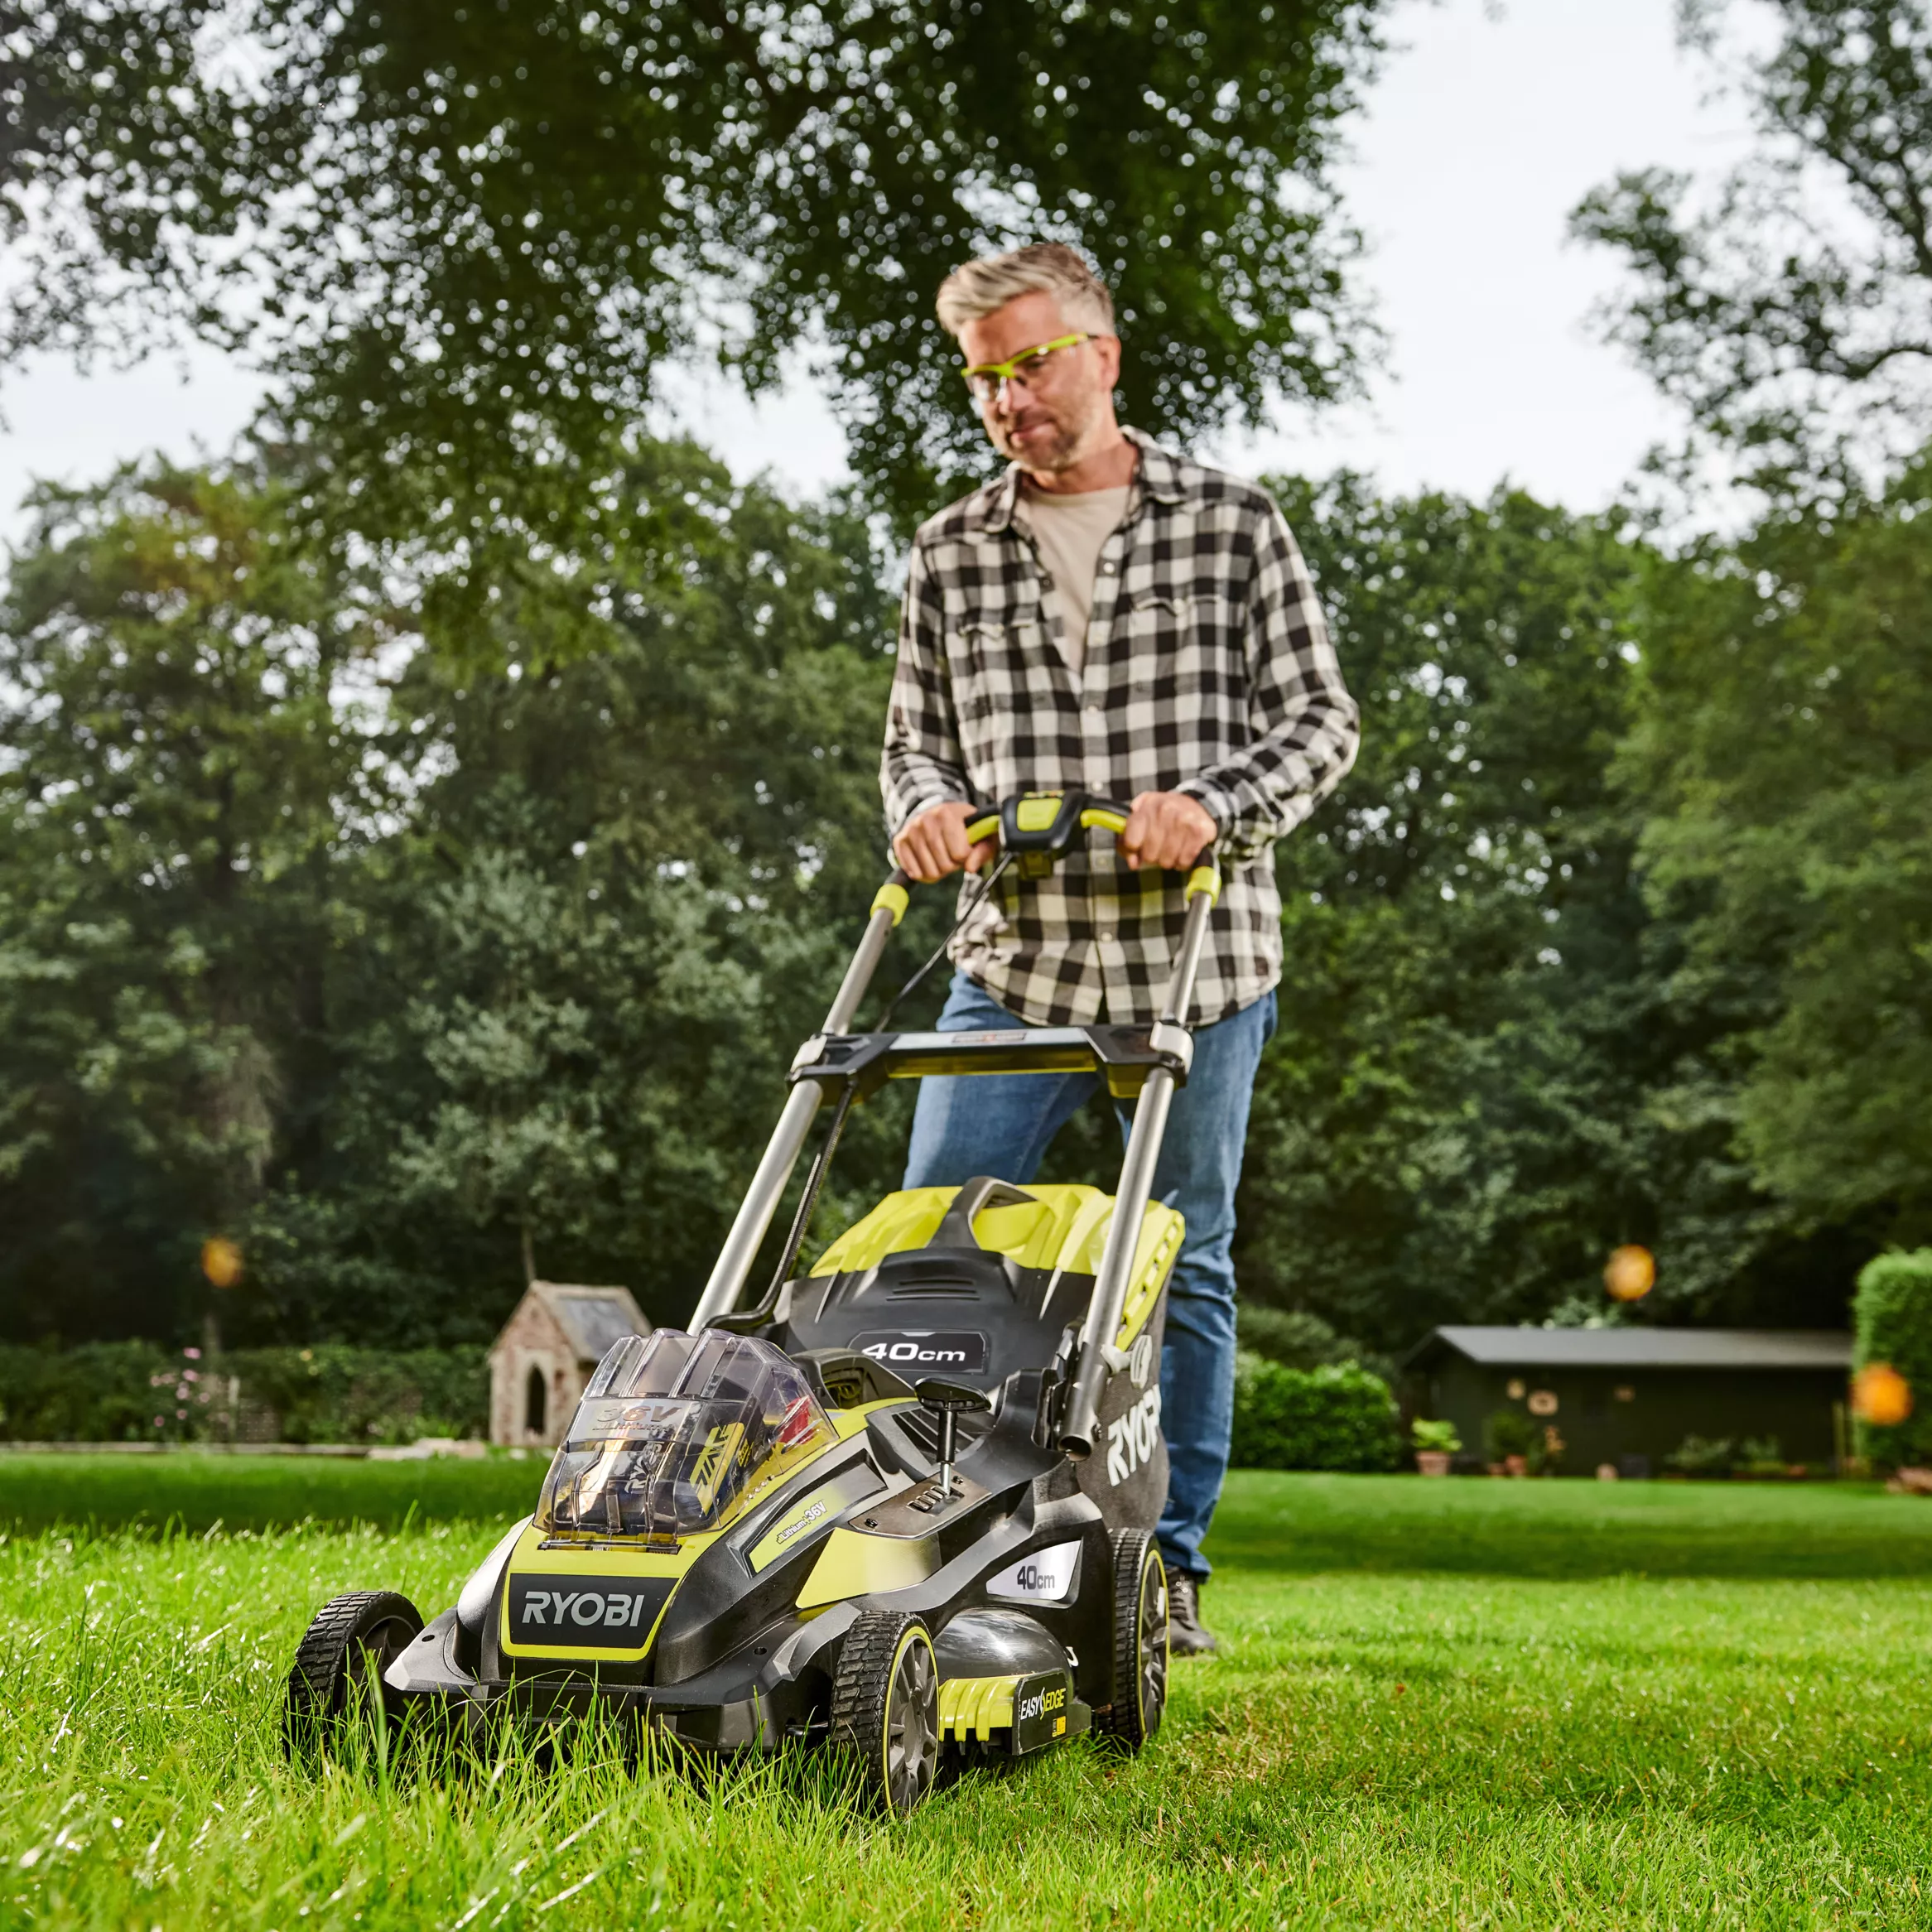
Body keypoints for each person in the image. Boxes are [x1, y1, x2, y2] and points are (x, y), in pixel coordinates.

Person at [880, 243, 1359, 1655]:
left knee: (1186, 1261)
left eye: (1027, 364)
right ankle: (920, 1535)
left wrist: (1214, 805)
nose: (1005, 399)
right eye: (982, 379)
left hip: (1196, 966)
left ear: (1102, 352)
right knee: (934, 1250)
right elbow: (914, 739)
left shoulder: (1232, 524)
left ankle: (1173, 1576)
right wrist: (919, 814)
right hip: (1014, 959)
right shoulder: (951, 547)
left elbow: (1321, 722)